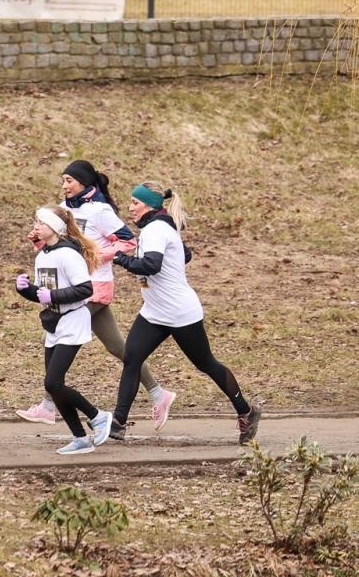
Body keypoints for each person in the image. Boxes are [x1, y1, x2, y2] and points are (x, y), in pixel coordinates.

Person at [16, 160, 177, 430]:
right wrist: (38, 238)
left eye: (69, 180)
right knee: (119, 348)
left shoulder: (101, 211)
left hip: (91, 288)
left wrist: (94, 256)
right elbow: (60, 246)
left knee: (56, 334)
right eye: (63, 180)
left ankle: (48, 404)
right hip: (71, 286)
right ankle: (159, 394)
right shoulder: (64, 209)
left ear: (84, 183)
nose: (64, 186)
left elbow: (128, 241)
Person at [108, 181, 261, 446]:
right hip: (154, 311)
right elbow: (185, 255)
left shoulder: (156, 228)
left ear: (149, 205)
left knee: (206, 363)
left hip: (180, 313)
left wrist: (121, 258)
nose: (130, 207)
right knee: (132, 358)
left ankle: (246, 412)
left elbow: (152, 265)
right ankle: (118, 423)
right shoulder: (158, 227)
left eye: (135, 202)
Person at [15, 205, 112, 455]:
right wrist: (26, 290)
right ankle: (79, 438)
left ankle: (97, 416)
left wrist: (52, 294)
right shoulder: (43, 256)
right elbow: (44, 295)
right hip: (54, 323)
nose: (36, 226)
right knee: (53, 385)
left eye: (42, 223)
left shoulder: (68, 255)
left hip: (73, 321)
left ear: (55, 228)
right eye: (35, 222)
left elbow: (85, 290)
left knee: (53, 382)